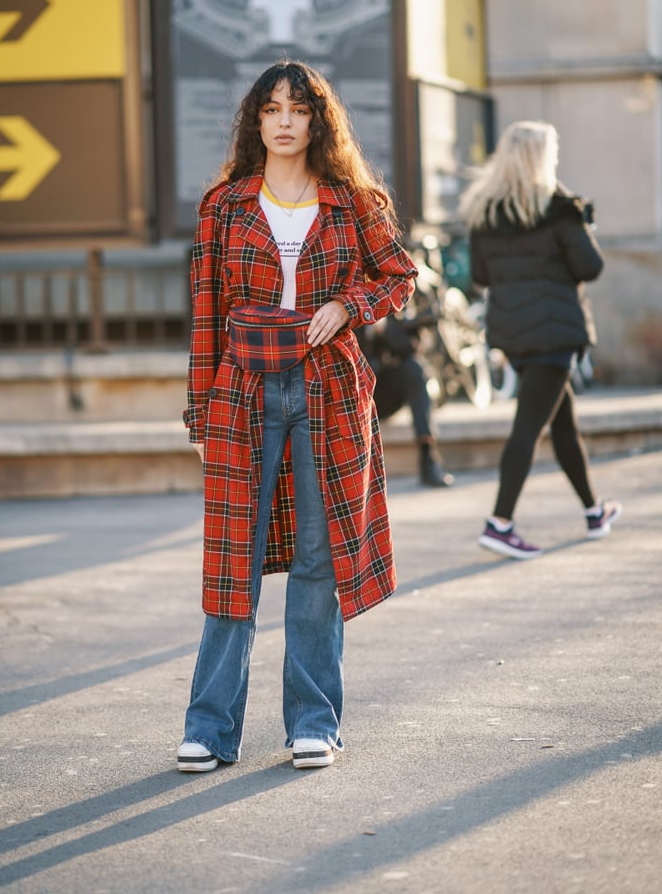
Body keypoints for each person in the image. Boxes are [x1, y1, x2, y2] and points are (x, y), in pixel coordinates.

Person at [178, 60, 417, 772]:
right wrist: (200, 414)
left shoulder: (353, 201)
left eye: (298, 109)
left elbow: (398, 274)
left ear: (318, 120)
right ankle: (208, 728)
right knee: (232, 562)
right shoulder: (223, 205)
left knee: (317, 559)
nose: (284, 121)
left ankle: (313, 722)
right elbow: (205, 320)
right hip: (243, 390)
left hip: (327, 391)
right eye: (271, 109)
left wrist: (350, 305)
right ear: (256, 122)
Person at [462, 120, 621, 559]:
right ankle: (500, 523)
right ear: (543, 160)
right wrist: (581, 217)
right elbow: (590, 267)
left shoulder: (485, 212)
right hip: (555, 334)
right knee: (528, 427)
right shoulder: (559, 208)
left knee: (562, 422)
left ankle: (594, 512)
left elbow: (480, 275)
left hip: (513, 334)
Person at [358, 293, 454, 487]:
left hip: (387, 391)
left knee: (414, 371)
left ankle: (429, 458)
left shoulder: (391, 292)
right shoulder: (345, 291)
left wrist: (383, 330)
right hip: (358, 391)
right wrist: (367, 331)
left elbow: (411, 345)